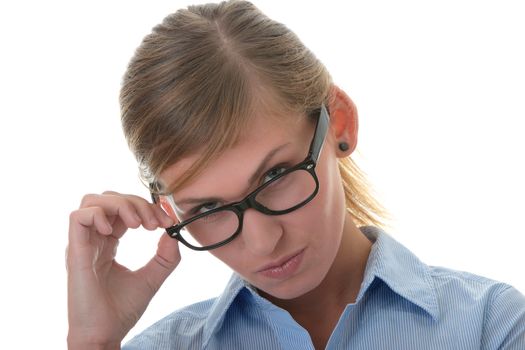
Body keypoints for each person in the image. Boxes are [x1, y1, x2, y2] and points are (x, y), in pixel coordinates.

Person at [66, 1, 525, 349]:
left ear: (339, 122)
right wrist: (93, 344)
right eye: (208, 208)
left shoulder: (491, 326)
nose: (264, 242)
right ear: (167, 212)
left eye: (275, 176)